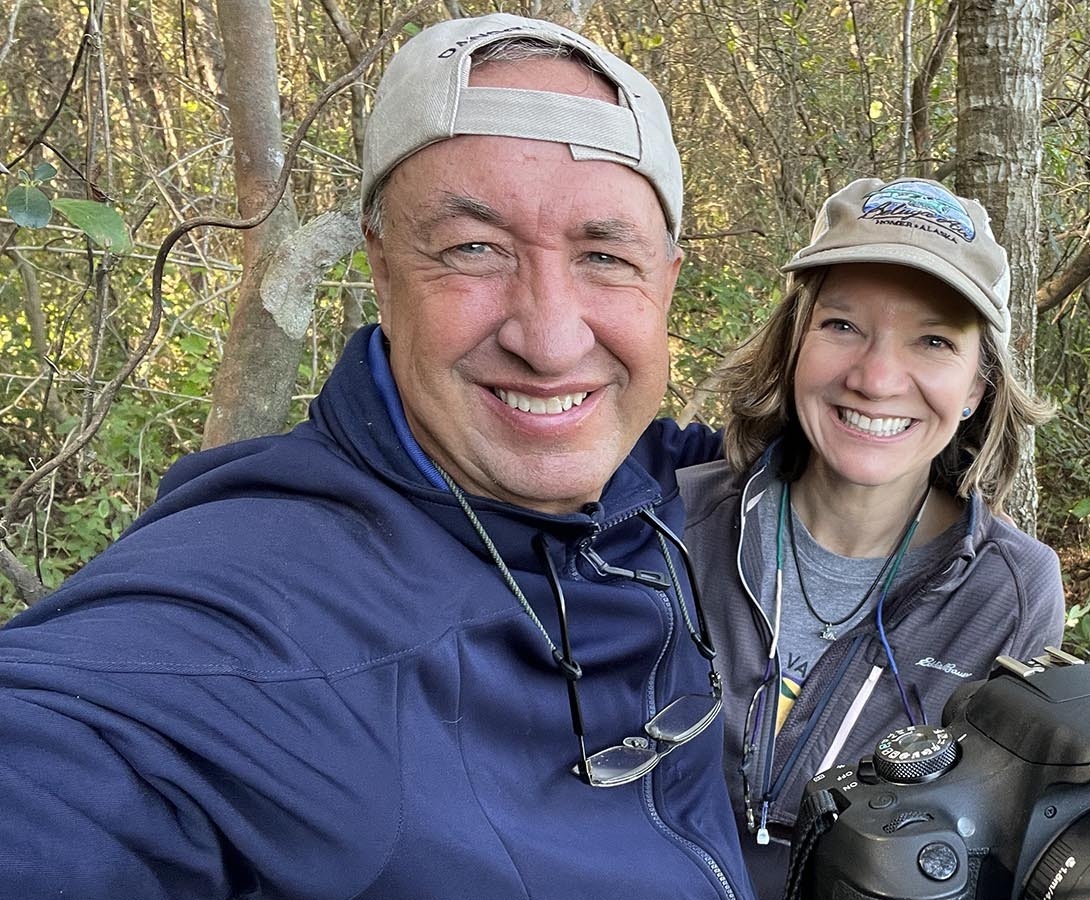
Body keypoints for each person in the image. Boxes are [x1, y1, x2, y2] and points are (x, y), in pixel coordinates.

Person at [0, 15, 755, 900]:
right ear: (384, 268)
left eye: (603, 255)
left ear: (663, 279)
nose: (549, 342)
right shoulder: (270, 609)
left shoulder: (646, 480)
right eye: (474, 249)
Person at [679, 176, 1067, 897]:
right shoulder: (679, 526)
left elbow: (991, 854)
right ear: (796, 342)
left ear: (978, 386)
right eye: (843, 325)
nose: (879, 378)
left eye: (933, 340)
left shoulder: (1008, 596)